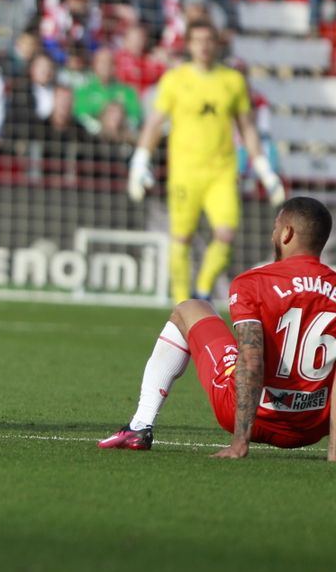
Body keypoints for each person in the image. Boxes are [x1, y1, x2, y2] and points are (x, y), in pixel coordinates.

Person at [99, 196, 336, 460]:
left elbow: (251, 359)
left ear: (287, 233)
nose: (273, 235)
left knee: (188, 309)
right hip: (312, 427)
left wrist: (240, 442)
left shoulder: (253, 282)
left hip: (251, 416)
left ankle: (139, 426)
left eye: (275, 227)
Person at [129, 22, 285, 302]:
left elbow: (247, 127)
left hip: (222, 172)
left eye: (208, 39)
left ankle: (202, 291)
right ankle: (180, 302)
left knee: (225, 233)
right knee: (181, 238)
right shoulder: (175, 80)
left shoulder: (232, 81)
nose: (203, 45)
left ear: (217, 44)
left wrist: (264, 170)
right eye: (197, 40)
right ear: (188, 45)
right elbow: (154, 124)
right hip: (185, 173)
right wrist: (139, 162)